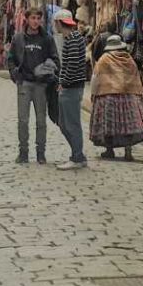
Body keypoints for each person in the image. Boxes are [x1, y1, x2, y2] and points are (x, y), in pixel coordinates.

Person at [7, 7, 59, 164]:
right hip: (24, 83)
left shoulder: (47, 39)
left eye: (38, 18)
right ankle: (23, 152)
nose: (36, 21)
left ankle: (40, 153)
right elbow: (10, 58)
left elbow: (56, 60)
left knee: (41, 121)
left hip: (41, 85)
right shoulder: (18, 39)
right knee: (23, 120)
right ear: (27, 19)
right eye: (33, 18)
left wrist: (45, 70)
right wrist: (15, 73)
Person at [89, 35, 143, 161]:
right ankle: (128, 151)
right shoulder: (129, 59)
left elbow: (96, 77)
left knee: (110, 124)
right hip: (128, 96)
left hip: (108, 95)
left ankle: (109, 150)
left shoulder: (104, 59)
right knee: (127, 125)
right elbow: (135, 76)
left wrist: (94, 93)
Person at [53, 10, 87, 170]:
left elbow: (72, 64)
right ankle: (77, 154)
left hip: (71, 87)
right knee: (64, 123)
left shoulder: (72, 39)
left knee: (71, 124)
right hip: (70, 86)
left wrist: (63, 82)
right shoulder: (71, 38)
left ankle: (77, 157)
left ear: (59, 23)